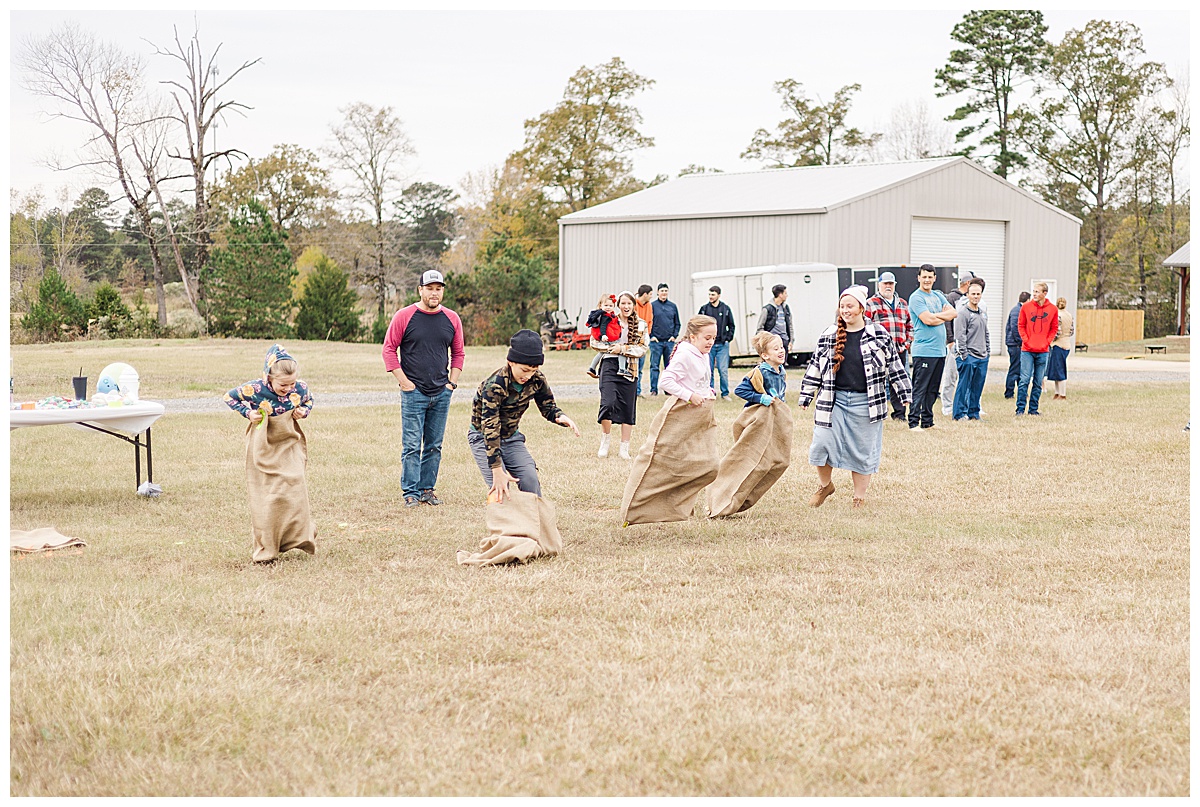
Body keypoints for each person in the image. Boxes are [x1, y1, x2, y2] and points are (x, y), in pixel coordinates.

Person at [799, 286, 912, 510]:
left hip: (867, 403)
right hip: (834, 401)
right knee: (821, 444)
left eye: (850, 306)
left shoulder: (879, 334)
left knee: (862, 451)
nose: (845, 310)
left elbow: (894, 366)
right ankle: (825, 486)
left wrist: (904, 392)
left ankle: (858, 498)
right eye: (842, 306)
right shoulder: (829, 335)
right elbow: (814, 367)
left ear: (862, 308)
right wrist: (806, 394)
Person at [618, 315, 719, 525]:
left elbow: (698, 379)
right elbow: (666, 381)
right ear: (693, 337)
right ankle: (639, 510)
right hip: (682, 413)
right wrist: (690, 395)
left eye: (713, 338)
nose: (710, 342)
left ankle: (676, 506)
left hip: (700, 415)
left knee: (707, 465)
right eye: (706, 337)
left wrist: (707, 390)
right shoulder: (685, 354)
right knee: (663, 461)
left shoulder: (703, 353)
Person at [224, 344, 317, 563]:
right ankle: (268, 545)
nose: (289, 388)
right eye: (283, 384)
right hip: (264, 443)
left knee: (295, 483)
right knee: (268, 495)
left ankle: (299, 536)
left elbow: (309, 399)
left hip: (288, 441)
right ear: (268, 378)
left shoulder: (300, 388)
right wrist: (248, 412)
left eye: (292, 383)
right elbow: (229, 397)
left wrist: (305, 411)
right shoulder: (255, 389)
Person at [382, 269, 466, 508]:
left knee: (434, 445)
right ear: (420, 290)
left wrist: (452, 383)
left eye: (438, 288)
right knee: (411, 445)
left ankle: (427, 489)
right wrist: (404, 382)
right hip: (413, 392)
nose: (434, 293)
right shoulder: (404, 316)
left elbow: (458, 352)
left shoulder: (452, 318)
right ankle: (410, 492)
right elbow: (389, 349)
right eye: (429, 288)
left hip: (441, 392)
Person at [468, 329, 580, 502]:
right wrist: (497, 469)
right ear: (511, 362)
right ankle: (505, 528)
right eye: (525, 370)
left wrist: (559, 416)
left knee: (530, 480)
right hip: (483, 437)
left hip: (511, 437)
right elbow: (490, 427)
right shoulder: (495, 385)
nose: (528, 376)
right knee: (500, 489)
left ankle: (534, 523)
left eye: (534, 370)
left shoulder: (537, 379)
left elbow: (547, 405)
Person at [907, 264, 956, 431]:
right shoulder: (916, 298)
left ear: (934, 278)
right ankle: (914, 422)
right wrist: (941, 316)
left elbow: (953, 313)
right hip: (924, 351)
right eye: (924, 277)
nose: (927, 280)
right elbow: (927, 320)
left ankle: (927, 421)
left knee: (933, 389)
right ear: (919, 278)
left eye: (930, 277)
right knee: (920, 388)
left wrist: (936, 317)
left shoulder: (937, 295)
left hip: (939, 351)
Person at [597, 291, 645, 459]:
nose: (626, 307)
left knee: (628, 407)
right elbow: (594, 342)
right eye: (623, 303)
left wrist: (623, 349)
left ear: (634, 305)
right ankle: (605, 440)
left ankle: (624, 447)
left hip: (630, 368)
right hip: (610, 364)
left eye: (629, 304)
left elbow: (642, 348)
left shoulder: (641, 325)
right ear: (618, 305)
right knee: (607, 403)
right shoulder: (608, 320)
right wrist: (613, 348)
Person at [863, 271, 913, 422]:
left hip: (899, 350)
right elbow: (865, 326)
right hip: (878, 351)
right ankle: (878, 413)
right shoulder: (871, 303)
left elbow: (910, 325)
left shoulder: (903, 303)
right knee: (877, 381)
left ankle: (899, 414)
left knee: (898, 380)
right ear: (879, 285)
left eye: (891, 284)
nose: (888, 287)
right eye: (885, 284)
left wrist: (907, 343)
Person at [1015, 281, 1059, 416]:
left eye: (1037, 292)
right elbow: (1021, 325)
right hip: (1027, 350)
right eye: (1033, 291)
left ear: (1045, 293)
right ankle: (1020, 409)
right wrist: (1026, 340)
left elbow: (1054, 328)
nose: (1034, 294)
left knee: (1038, 382)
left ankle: (1033, 409)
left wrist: (1047, 342)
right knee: (1024, 380)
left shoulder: (1052, 309)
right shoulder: (1026, 307)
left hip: (1043, 351)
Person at [952, 278, 990, 421]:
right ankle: (959, 414)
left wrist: (987, 352)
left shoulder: (982, 313)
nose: (975, 296)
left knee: (977, 387)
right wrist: (964, 355)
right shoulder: (963, 313)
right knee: (963, 387)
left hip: (982, 357)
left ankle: (973, 413)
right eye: (973, 294)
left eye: (978, 294)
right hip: (968, 357)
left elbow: (986, 332)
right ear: (967, 294)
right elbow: (960, 335)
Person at [939, 270, 976, 416]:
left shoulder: (971, 299)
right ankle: (947, 405)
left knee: (968, 376)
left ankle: (968, 404)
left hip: (969, 343)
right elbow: (947, 319)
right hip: (955, 343)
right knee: (951, 375)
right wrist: (950, 340)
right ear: (967, 283)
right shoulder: (952, 298)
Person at [698, 285, 735, 399]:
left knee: (723, 370)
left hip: (722, 345)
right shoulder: (704, 309)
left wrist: (727, 338)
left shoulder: (725, 309)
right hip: (708, 346)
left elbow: (731, 325)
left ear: (719, 295)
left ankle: (725, 394)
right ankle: (710, 393)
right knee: (708, 371)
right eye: (709, 294)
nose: (710, 297)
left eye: (713, 294)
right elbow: (698, 324)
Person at [585, 294, 633, 382]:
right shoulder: (605, 316)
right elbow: (603, 326)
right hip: (608, 338)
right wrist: (603, 335)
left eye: (610, 306)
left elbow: (615, 321)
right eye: (606, 305)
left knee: (601, 353)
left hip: (608, 337)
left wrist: (620, 324)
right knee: (621, 350)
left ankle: (592, 367)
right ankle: (622, 368)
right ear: (601, 306)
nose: (608, 307)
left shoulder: (610, 315)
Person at [734, 331, 787, 408]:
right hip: (761, 414)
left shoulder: (782, 372)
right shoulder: (759, 373)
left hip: (776, 412)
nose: (781, 351)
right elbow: (740, 390)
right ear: (765, 355)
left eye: (782, 347)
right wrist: (761, 398)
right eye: (776, 349)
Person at [647, 283, 681, 396]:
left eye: (666, 291)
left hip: (669, 342)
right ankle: (653, 390)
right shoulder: (652, 306)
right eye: (662, 291)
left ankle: (669, 390)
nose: (664, 293)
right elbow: (648, 322)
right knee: (654, 366)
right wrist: (651, 336)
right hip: (656, 342)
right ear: (657, 292)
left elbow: (677, 323)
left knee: (669, 367)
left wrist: (674, 336)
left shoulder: (672, 306)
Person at [1004, 291, 1032, 399]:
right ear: (1027, 300)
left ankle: (1022, 392)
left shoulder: (1019, 310)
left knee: (1020, 369)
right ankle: (1009, 392)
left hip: (1016, 344)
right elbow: (1016, 329)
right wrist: (1022, 342)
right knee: (1014, 368)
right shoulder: (1017, 311)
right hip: (1015, 345)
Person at [1047, 296, 1074, 400]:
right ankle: (1057, 393)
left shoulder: (1057, 316)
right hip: (1067, 344)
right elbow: (1071, 331)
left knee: (1059, 370)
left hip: (1058, 344)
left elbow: (1056, 332)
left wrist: (1050, 340)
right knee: (1058, 368)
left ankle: (1062, 394)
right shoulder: (1069, 315)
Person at [756, 284, 793, 352]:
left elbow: (790, 325)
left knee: (783, 362)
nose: (787, 295)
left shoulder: (786, 308)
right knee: (772, 362)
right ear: (780, 295)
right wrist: (766, 340)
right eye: (785, 293)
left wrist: (791, 341)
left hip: (784, 340)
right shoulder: (767, 309)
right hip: (772, 341)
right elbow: (760, 327)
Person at [633, 284, 655, 397]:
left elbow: (650, 321)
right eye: (650, 294)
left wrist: (647, 334)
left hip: (644, 339)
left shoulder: (649, 306)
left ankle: (638, 391)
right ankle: (631, 391)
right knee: (632, 367)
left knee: (640, 367)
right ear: (645, 294)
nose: (652, 296)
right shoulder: (633, 304)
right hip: (634, 340)